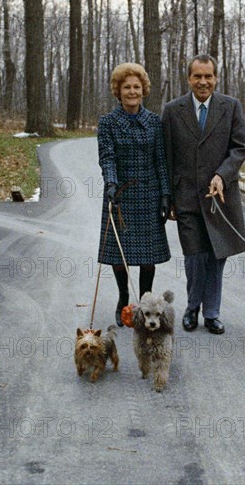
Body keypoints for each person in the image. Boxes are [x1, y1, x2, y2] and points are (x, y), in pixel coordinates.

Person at [162, 54, 245, 334]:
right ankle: (192, 308)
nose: (203, 82)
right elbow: (167, 156)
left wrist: (222, 175)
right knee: (194, 257)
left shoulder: (231, 107)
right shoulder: (173, 110)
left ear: (216, 78)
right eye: (197, 76)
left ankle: (212, 313)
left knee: (216, 255)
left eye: (208, 76)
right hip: (185, 197)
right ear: (188, 79)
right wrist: (169, 198)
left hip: (219, 199)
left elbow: (239, 148)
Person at [97, 63, 171, 327]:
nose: (131, 91)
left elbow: (161, 161)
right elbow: (107, 158)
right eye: (126, 87)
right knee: (119, 253)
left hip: (149, 195)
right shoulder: (107, 123)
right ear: (118, 91)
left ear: (143, 90)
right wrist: (111, 184)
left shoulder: (154, 122)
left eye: (136, 87)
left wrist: (165, 195)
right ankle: (123, 298)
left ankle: (143, 303)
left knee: (148, 256)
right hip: (120, 197)